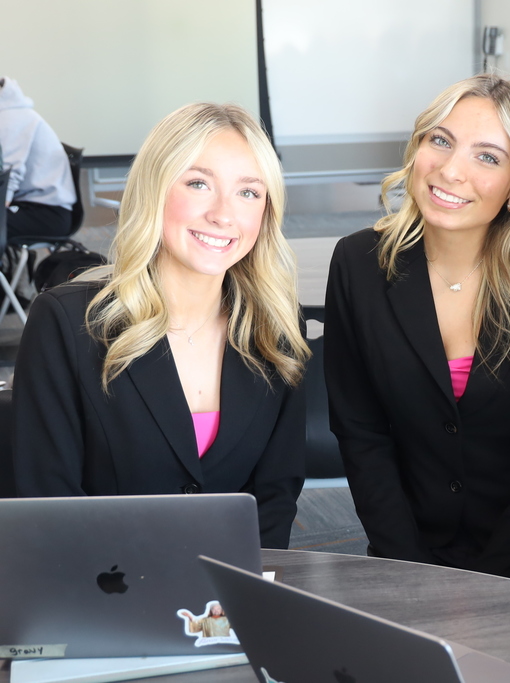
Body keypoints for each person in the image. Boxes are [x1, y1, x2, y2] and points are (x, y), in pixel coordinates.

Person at [324, 75, 510, 588]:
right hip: (407, 550)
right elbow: (361, 434)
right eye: (441, 141)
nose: (450, 170)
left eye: (488, 157)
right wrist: (409, 566)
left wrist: (492, 582)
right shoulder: (358, 264)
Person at [11, 103, 310, 550]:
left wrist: (236, 608)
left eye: (249, 192)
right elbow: (48, 506)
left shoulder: (277, 328)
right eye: (198, 184)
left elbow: (274, 498)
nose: (224, 215)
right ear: (155, 189)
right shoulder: (67, 322)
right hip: (103, 597)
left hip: (227, 605)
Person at [0, 76, 76, 240]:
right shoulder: (10, 111)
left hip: (47, 213)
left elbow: (9, 174)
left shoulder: (11, 118)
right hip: (32, 204)